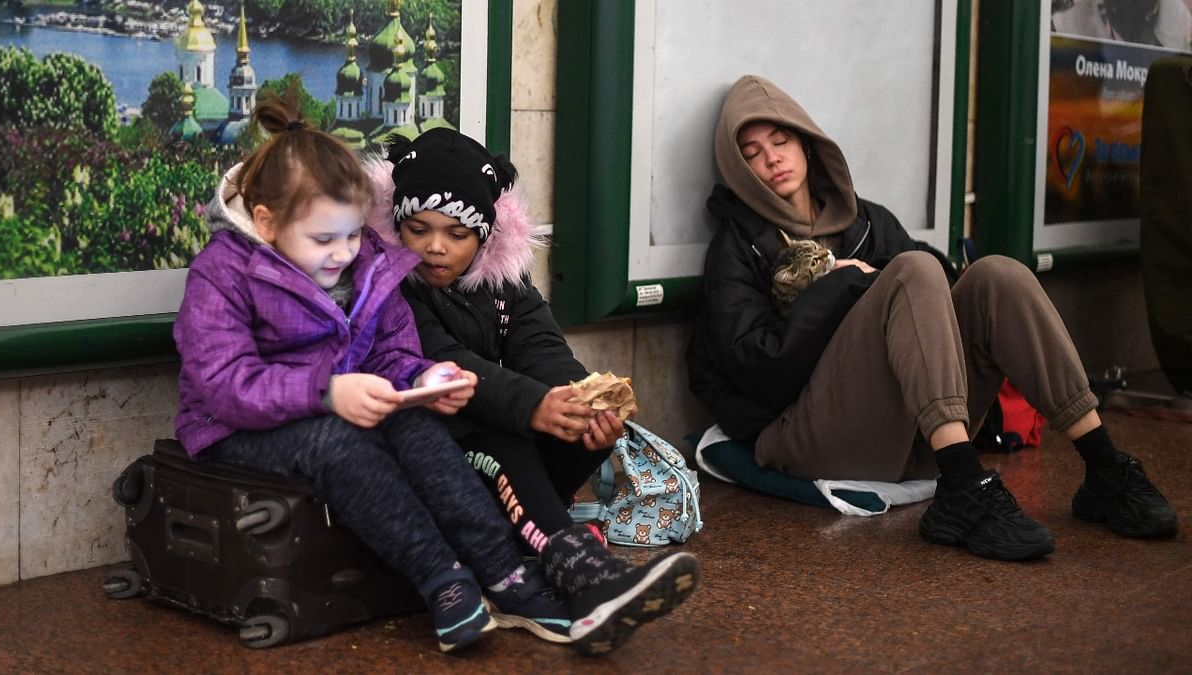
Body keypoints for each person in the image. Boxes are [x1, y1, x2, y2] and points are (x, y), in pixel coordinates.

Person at [686, 74, 1179, 562]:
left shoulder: (867, 222)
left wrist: (872, 280)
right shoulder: (737, 248)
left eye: (781, 140)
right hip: (805, 434)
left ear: (807, 145)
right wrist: (842, 285)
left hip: (909, 435)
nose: (771, 158)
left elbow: (938, 289)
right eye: (751, 154)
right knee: (910, 270)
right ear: (738, 171)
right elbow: (757, 366)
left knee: (997, 277)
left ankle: (1103, 466)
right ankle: (965, 486)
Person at [172, 95, 571, 653]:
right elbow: (223, 384)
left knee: (418, 429)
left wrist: (423, 379)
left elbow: (392, 350)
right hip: (233, 428)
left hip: (337, 402)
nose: (343, 253)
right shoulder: (220, 272)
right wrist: (328, 392)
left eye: (353, 234)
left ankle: (505, 574)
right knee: (338, 443)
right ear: (265, 222)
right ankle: (443, 581)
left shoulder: (365, 261)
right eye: (323, 239)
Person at [365, 128, 700, 656]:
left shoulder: (502, 281)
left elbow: (539, 345)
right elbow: (441, 360)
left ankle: (533, 546)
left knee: (585, 434)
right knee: (507, 445)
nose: (435, 246)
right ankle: (588, 583)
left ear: (483, 236)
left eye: (456, 233)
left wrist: (576, 401)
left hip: (480, 432)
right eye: (418, 228)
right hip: (421, 447)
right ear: (395, 224)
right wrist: (532, 407)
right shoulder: (390, 284)